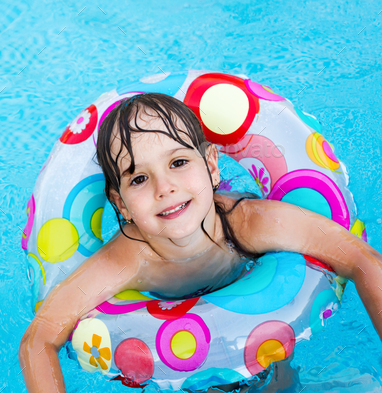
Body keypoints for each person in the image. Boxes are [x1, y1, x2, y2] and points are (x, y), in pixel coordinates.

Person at [19, 93, 382, 393]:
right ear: (121, 205)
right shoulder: (127, 260)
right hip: (178, 370)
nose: (165, 188)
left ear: (211, 165)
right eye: (140, 178)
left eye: (178, 162)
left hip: (265, 349)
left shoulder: (247, 222)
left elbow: (361, 259)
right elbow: (38, 340)